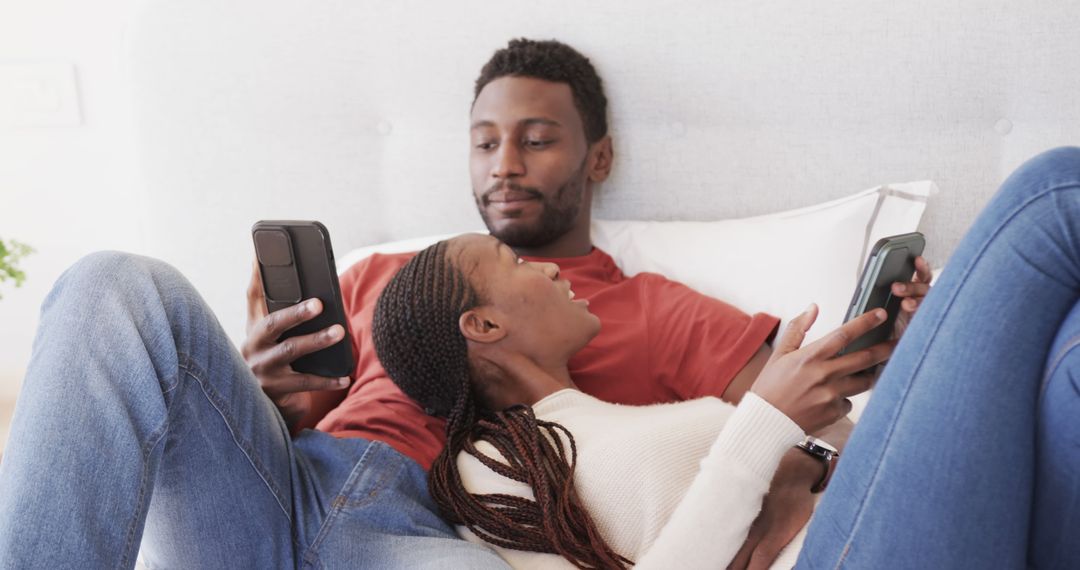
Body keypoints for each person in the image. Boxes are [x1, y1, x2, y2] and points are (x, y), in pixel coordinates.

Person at [0, 39, 928, 568]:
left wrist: (895, 336)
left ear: (597, 158)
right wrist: (262, 391)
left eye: (537, 140)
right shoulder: (386, 279)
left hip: (421, 526)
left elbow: (813, 400)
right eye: (484, 143)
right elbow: (270, 420)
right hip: (271, 484)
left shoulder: (648, 307)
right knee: (113, 285)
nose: (505, 165)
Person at [369, 146, 1080, 569]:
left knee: (1071, 363)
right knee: (1050, 195)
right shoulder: (487, 471)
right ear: (484, 323)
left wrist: (843, 430)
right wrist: (765, 418)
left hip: (860, 531)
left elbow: (804, 482)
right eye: (512, 262)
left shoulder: (611, 415)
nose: (548, 269)